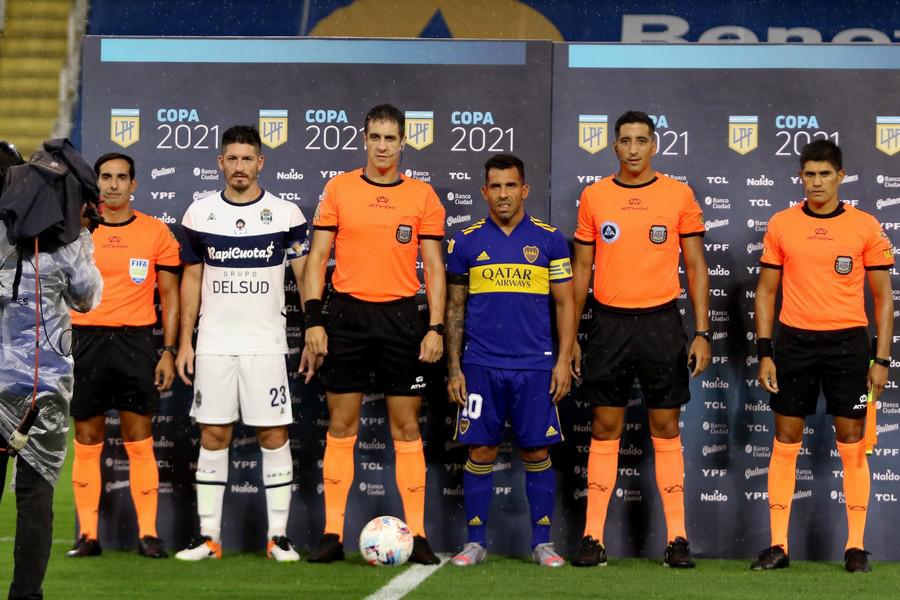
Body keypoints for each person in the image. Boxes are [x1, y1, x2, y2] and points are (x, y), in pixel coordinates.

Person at [303, 104, 445, 564]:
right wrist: (313, 320)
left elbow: (435, 268)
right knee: (341, 426)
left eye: (391, 138)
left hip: (401, 320)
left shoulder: (422, 196)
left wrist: (436, 326)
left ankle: (418, 534)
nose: (383, 146)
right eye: (375, 137)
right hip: (346, 318)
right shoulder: (339, 188)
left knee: (407, 428)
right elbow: (317, 258)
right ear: (364, 140)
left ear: (403, 142)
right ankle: (332, 535)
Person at [570, 110, 710, 568]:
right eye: (625, 141)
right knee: (604, 428)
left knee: (666, 428)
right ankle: (592, 537)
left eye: (641, 140)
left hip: (661, 324)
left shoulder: (678, 194)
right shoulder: (594, 195)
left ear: (654, 146)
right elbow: (582, 270)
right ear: (614, 146)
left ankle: (678, 540)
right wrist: (571, 338)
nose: (633, 149)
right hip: (607, 323)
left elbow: (696, 267)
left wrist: (702, 332)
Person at [752, 140, 893, 573]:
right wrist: (764, 352)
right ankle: (778, 546)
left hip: (848, 345)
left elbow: (884, 298)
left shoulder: (865, 225)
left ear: (840, 176)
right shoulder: (781, 223)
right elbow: (766, 292)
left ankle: (855, 548)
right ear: (800, 176)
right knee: (785, 441)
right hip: (793, 344)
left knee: (852, 443)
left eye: (825, 174)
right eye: (809, 174)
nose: (816, 182)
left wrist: (882, 360)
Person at [174, 125, 309, 562]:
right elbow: (191, 281)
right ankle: (208, 538)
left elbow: (306, 277)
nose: (239, 166)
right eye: (231, 158)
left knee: (273, 434)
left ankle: (278, 538)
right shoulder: (199, 214)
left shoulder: (286, 214)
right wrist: (185, 342)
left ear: (260, 163)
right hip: (214, 344)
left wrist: (314, 327)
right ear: (220, 163)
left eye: (247, 158)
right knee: (213, 434)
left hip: (266, 345)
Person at [445, 154, 575, 567]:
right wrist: (454, 367)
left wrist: (563, 360)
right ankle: (475, 543)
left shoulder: (550, 240)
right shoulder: (465, 241)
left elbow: (565, 304)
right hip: (480, 366)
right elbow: (455, 308)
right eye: (496, 187)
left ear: (525, 190)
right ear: (485, 192)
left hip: (535, 366)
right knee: (481, 449)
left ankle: (543, 543)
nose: (504, 194)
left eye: (511, 185)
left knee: (536, 452)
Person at [0, 139, 104, 598]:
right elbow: (88, 298)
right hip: (45, 389)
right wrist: (80, 237)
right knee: (36, 496)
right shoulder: (66, 243)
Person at [65, 152, 180, 559]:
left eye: (121, 177)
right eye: (105, 177)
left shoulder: (156, 232)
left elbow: (170, 298)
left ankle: (149, 535)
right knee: (87, 439)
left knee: (139, 439)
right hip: (84, 341)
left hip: (136, 343)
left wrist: (169, 351)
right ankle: (88, 536)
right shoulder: (74, 231)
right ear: (95, 183)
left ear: (134, 184)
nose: (113, 185)